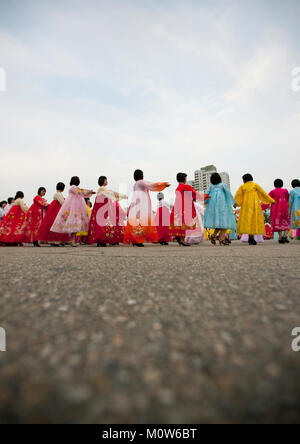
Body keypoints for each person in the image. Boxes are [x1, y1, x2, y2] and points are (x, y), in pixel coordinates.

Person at [124, 170, 170, 247]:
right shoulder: (140, 182)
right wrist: (163, 184)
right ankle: (138, 240)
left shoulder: (135, 184)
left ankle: (136, 240)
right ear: (142, 176)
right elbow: (151, 185)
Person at [51, 176, 95, 247]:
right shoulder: (73, 188)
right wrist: (89, 192)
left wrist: (89, 192)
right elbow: (81, 191)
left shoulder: (75, 188)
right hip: (73, 207)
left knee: (74, 223)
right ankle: (71, 240)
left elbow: (81, 191)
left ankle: (70, 240)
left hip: (75, 207)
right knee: (74, 223)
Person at [170, 173, 209, 246]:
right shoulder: (185, 187)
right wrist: (206, 196)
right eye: (186, 178)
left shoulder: (178, 188)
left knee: (180, 223)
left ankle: (180, 238)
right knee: (184, 223)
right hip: (184, 207)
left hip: (178, 207)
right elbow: (195, 193)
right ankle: (182, 240)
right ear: (184, 179)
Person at [235, 174, 275, 245]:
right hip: (254, 206)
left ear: (244, 180)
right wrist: (271, 200)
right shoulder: (255, 185)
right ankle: (251, 237)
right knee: (253, 220)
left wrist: (235, 204)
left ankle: (251, 237)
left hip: (246, 206)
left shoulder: (242, 186)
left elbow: (238, 196)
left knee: (248, 221)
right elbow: (263, 193)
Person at [88, 176, 127, 247]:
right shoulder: (102, 188)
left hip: (100, 208)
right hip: (102, 208)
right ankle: (102, 240)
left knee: (101, 224)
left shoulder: (101, 189)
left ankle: (101, 240)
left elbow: (110, 194)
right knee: (104, 224)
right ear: (103, 181)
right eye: (106, 180)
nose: (107, 181)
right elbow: (111, 193)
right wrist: (122, 196)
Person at [204, 173, 237, 246]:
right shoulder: (222, 185)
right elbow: (228, 194)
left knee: (219, 224)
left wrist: (205, 201)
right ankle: (221, 239)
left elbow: (206, 194)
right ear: (219, 178)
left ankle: (213, 235)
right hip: (222, 206)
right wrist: (233, 203)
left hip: (213, 207)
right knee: (224, 223)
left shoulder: (211, 186)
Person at [264, 179, 290, 244]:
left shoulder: (272, 192)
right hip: (285, 209)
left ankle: (280, 237)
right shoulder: (285, 191)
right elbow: (288, 198)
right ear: (282, 184)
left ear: (274, 184)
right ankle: (285, 236)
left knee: (279, 223)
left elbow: (267, 199)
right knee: (287, 222)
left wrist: (261, 205)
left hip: (276, 210)